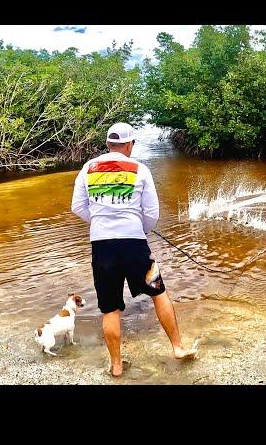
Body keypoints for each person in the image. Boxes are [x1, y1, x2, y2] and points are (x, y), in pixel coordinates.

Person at [71, 122, 197, 377]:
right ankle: (178, 348)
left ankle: (116, 366)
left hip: (102, 246)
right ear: (129, 145)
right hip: (134, 242)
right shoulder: (140, 169)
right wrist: (140, 229)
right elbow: (151, 213)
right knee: (158, 292)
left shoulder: (88, 168)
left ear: (108, 144)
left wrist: (99, 221)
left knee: (109, 307)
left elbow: (78, 207)